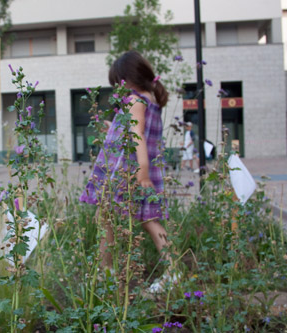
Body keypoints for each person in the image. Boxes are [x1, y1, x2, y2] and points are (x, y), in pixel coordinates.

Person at [79, 50, 178, 293]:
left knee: (106, 218)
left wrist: (141, 172)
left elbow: (136, 136)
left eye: (118, 83)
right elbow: (134, 129)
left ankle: (106, 273)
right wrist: (113, 126)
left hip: (128, 170)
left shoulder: (134, 100)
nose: (117, 89)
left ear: (128, 79)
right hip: (140, 168)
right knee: (148, 219)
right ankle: (173, 270)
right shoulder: (150, 98)